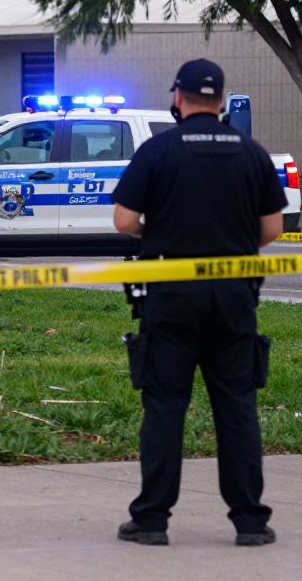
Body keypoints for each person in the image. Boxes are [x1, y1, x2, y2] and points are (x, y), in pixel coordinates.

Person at [111, 59, 286, 547]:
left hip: (170, 291)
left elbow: (124, 220)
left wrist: (159, 232)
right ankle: (250, 522)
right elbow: (272, 229)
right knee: (237, 405)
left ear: (178, 97)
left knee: (166, 405)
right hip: (234, 295)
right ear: (223, 100)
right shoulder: (251, 152)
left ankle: (151, 521)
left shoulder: (159, 149)